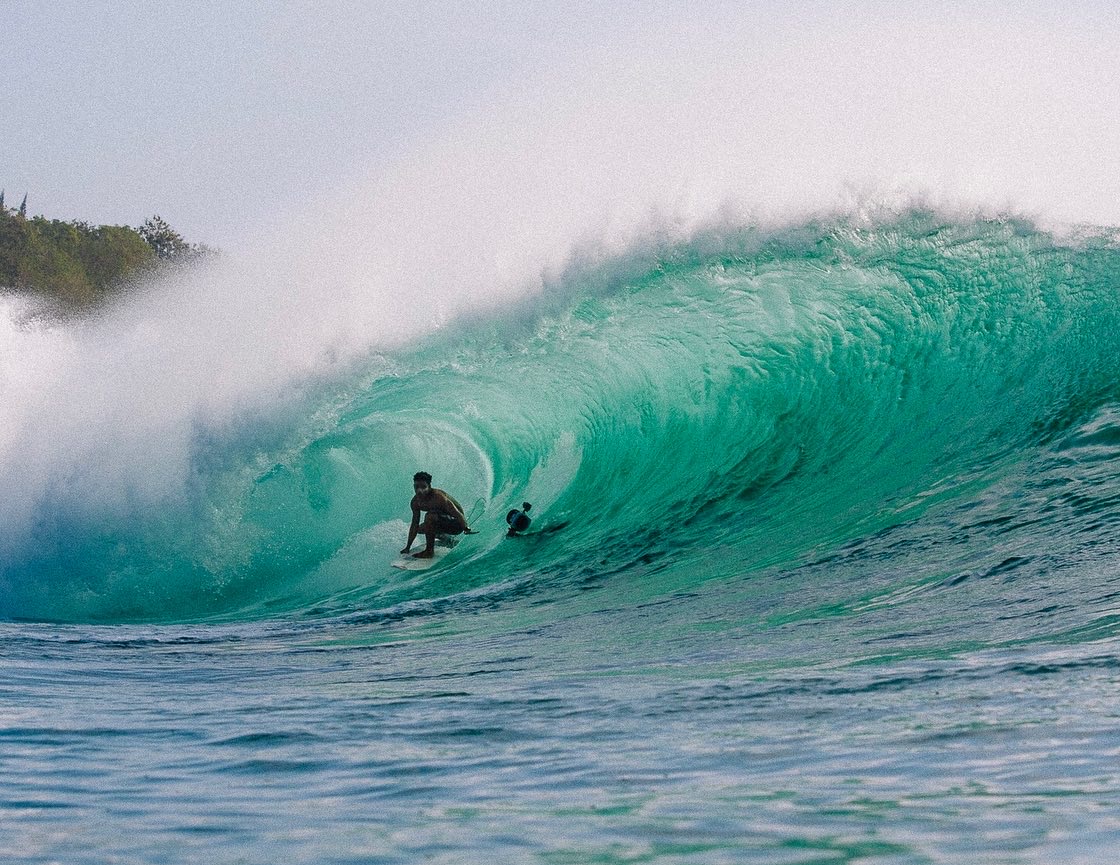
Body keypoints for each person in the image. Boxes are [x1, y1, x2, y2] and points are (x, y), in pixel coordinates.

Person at [401, 471, 474, 558]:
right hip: (442, 522)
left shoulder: (439, 497)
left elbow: (457, 514)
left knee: (430, 517)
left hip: (456, 525)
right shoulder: (415, 502)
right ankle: (446, 538)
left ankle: (429, 552)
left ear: (429, 487)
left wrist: (466, 528)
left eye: (423, 487)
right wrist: (408, 547)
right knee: (418, 529)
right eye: (416, 487)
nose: (419, 490)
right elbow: (414, 525)